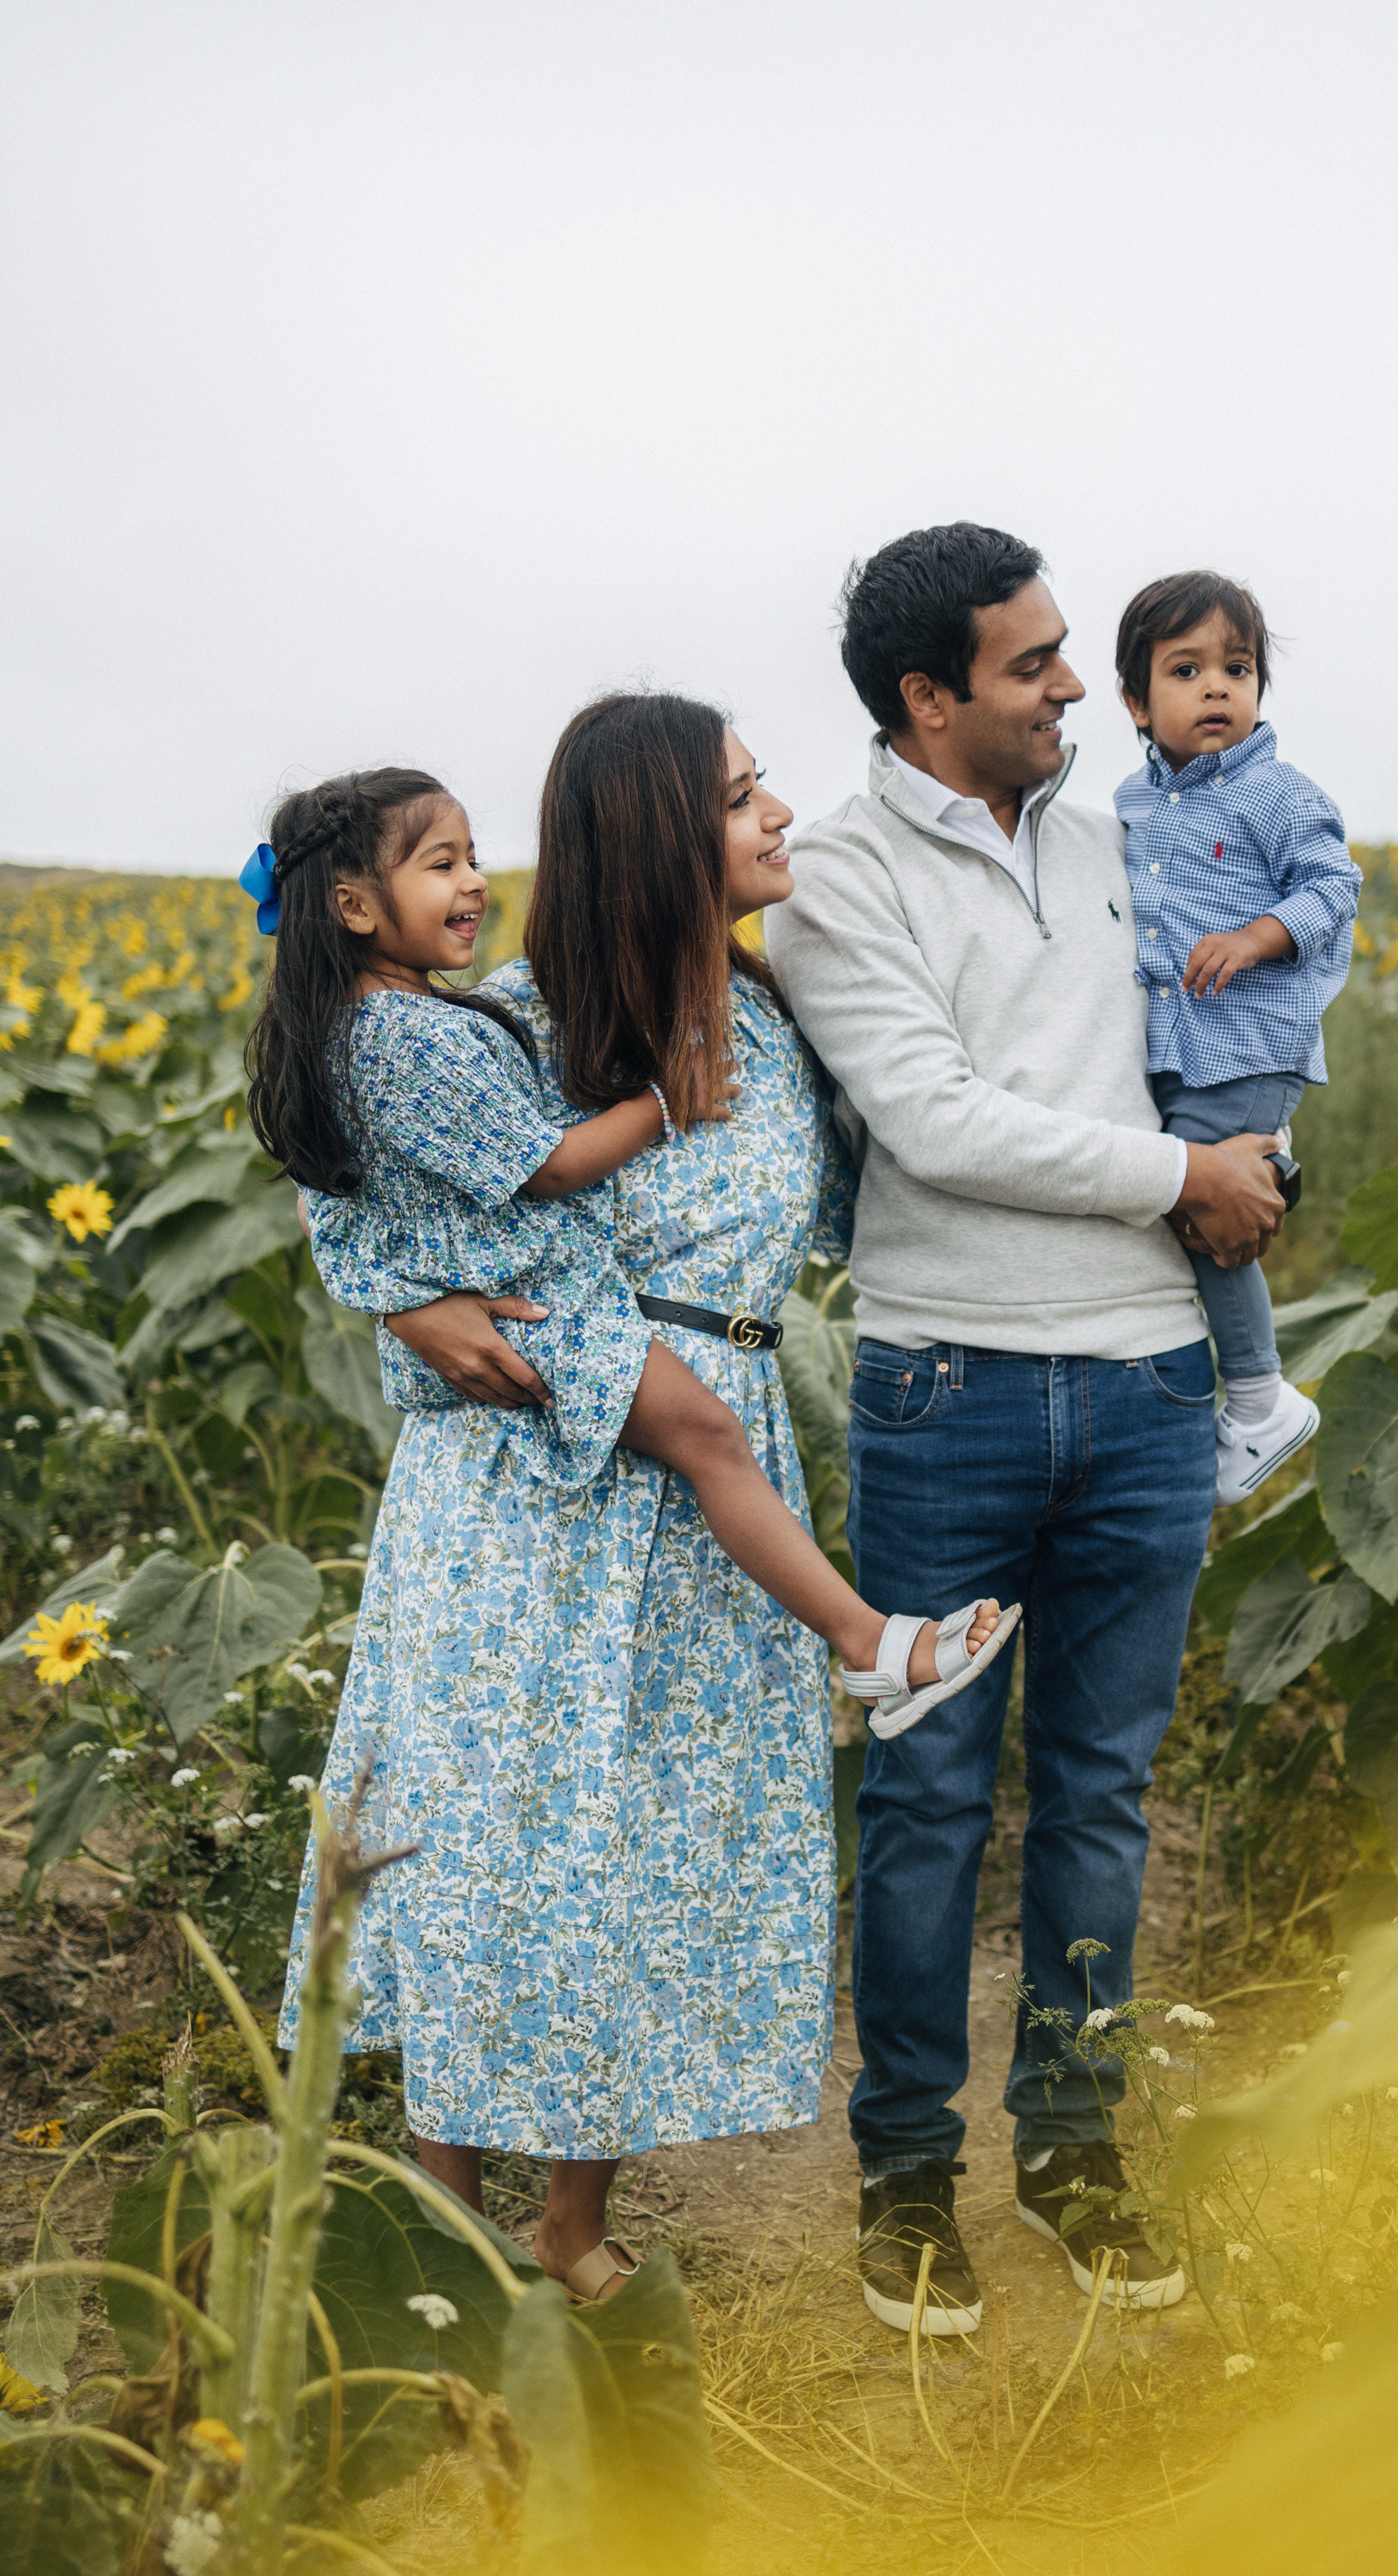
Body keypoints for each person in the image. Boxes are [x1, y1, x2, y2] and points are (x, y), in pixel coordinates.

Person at [264, 707, 1005, 2306]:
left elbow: (892, 1180)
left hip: (716, 1468)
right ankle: (443, 2228)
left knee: (637, 1855)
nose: (778, 812)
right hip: (536, 1484)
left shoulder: (781, 1013)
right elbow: (360, 1179)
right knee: (494, 1841)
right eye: (740, 797)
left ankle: (568, 2226)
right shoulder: (529, 1018)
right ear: (661, 838)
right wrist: (404, 1313)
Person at [767, 522, 1288, 2336]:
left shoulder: (1123, 832)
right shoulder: (835, 878)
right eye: (1035, 661)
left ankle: (1074, 2151)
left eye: (1071, 650)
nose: (1080, 683)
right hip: (951, 1387)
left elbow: (1230, 1029)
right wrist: (1179, 1179)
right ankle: (909, 2177)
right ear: (929, 698)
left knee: (1099, 1794)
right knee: (924, 1796)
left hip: (1151, 1379)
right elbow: (934, 1119)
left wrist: (1256, 1155)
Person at [244, 765, 1010, 1731]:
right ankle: (868, 1645)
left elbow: (345, 1177)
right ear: (354, 906)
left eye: (473, 857)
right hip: (556, 1322)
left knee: (716, 1449)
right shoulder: (464, 1024)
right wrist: (661, 1101)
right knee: (711, 1441)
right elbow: (532, 1170)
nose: (475, 881)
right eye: (443, 864)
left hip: (563, 1323)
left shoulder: (395, 1028)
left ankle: (868, 1645)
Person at [1115, 570, 1362, 1503]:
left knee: (1201, 1208)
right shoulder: (1131, 804)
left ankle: (1260, 1400)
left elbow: (1334, 887)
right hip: (1177, 1048)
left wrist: (1257, 937)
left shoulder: (1276, 793)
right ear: (1136, 703)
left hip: (1249, 1040)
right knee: (1180, 1206)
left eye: (1237, 667)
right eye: (1185, 670)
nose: (1216, 687)